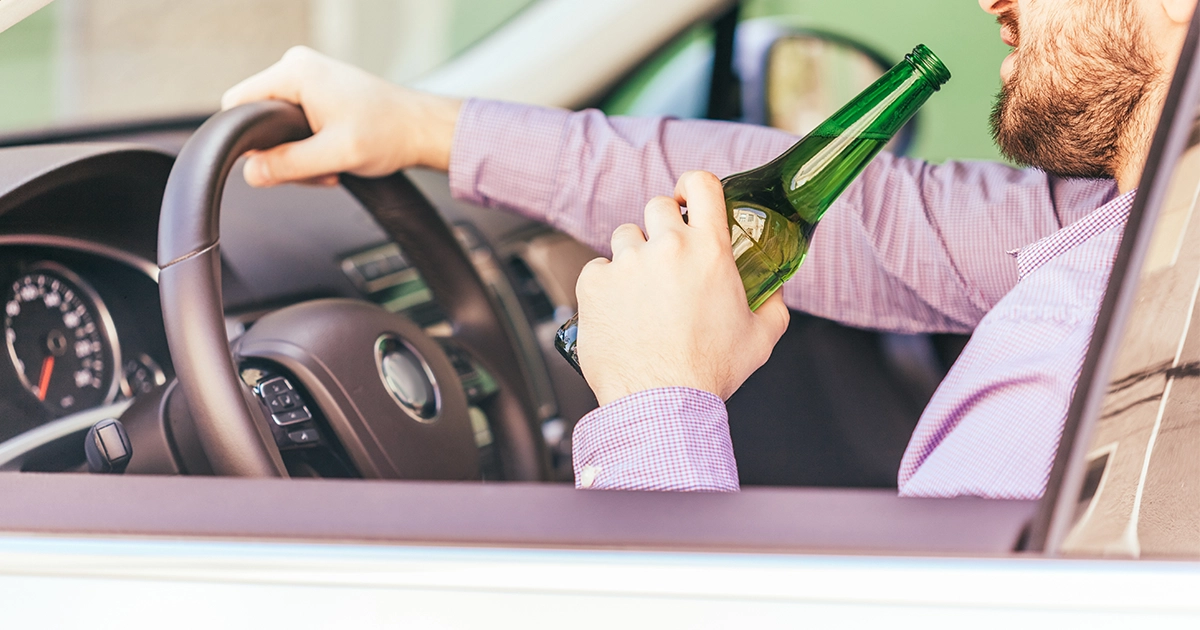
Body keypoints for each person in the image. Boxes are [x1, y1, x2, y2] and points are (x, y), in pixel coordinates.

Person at [222, 0, 1196, 498]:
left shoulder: (1100, 378)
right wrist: (424, 126)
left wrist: (655, 401)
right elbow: (859, 208)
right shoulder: (1144, 227)